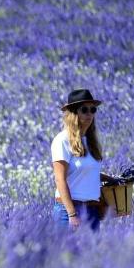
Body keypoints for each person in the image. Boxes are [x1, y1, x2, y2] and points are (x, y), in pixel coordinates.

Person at [51, 88, 108, 231]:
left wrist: (112, 179)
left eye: (93, 110)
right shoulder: (62, 140)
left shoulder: (91, 142)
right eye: (84, 110)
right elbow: (60, 179)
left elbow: (87, 173)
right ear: (73, 113)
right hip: (69, 211)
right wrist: (72, 214)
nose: (90, 114)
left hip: (92, 211)